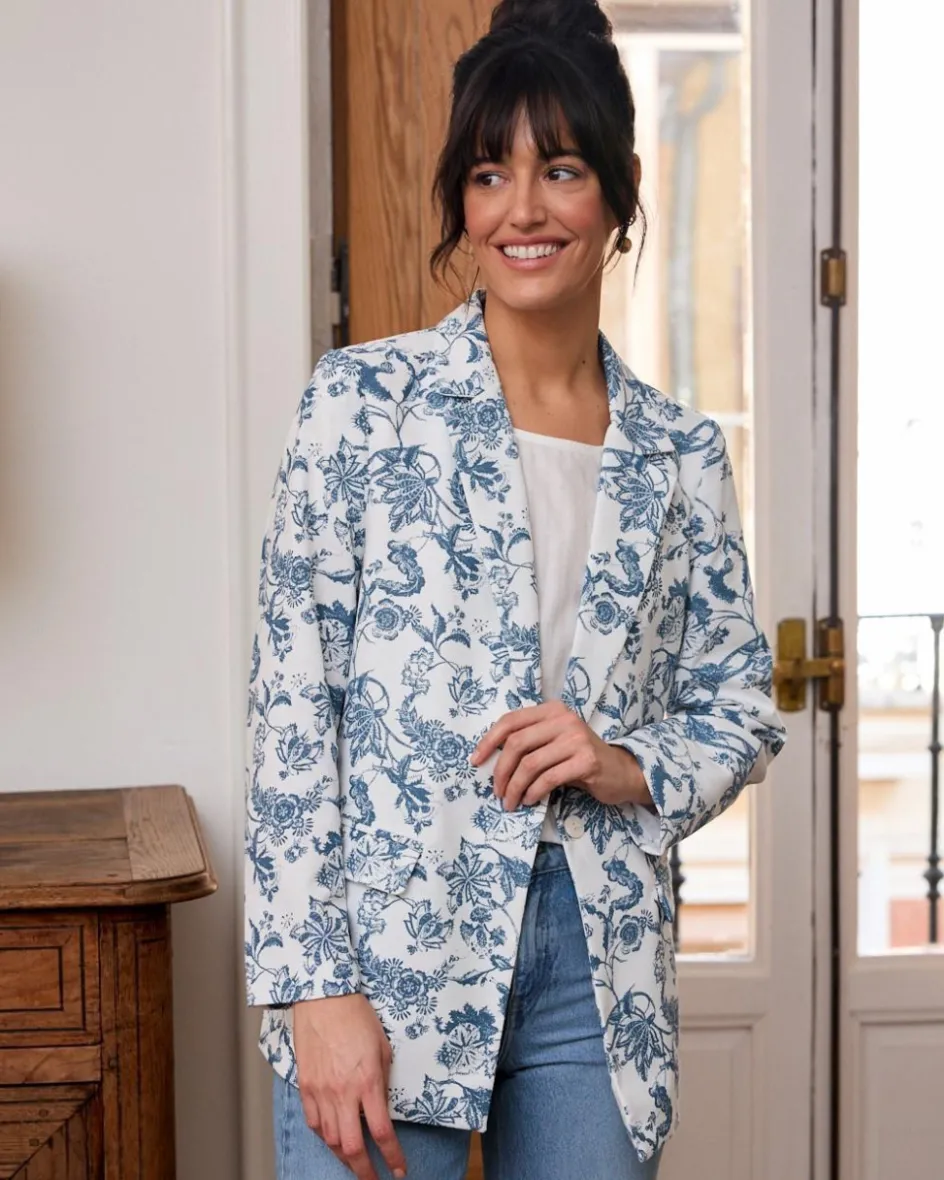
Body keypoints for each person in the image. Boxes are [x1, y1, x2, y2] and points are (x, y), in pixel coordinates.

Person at [244, 1, 786, 1177]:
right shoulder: (360, 406)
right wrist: (311, 984)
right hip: (386, 957)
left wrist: (620, 760)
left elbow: (740, 705)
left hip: (597, 971)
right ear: (460, 196)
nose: (521, 209)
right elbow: (292, 710)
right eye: (488, 174)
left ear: (620, 189)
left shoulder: (680, 453)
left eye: (561, 169)